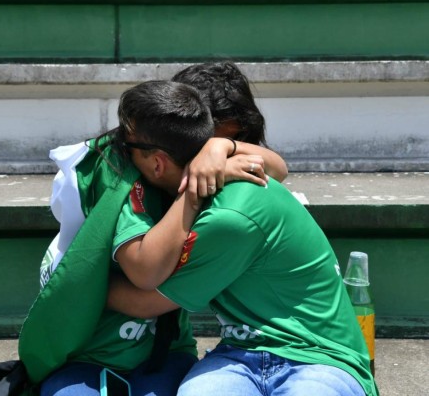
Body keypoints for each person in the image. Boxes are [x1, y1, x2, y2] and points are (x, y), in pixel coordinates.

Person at [106, 82, 379, 395]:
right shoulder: (214, 189)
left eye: (126, 149)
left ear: (157, 163)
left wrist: (76, 284)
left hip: (320, 357)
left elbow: (144, 298)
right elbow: (278, 166)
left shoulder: (228, 220)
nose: (120, 155)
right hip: (238, 353)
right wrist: (220, 148)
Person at [37, 64, 288, 395]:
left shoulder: (210, 175)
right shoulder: (123, 173)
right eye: (211, 142)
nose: (212, 162)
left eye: (235, 141)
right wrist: (79, 285)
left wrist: (219, 151)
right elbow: (144, 276)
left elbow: (278, 168)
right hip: (91, 353)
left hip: (163, 350)